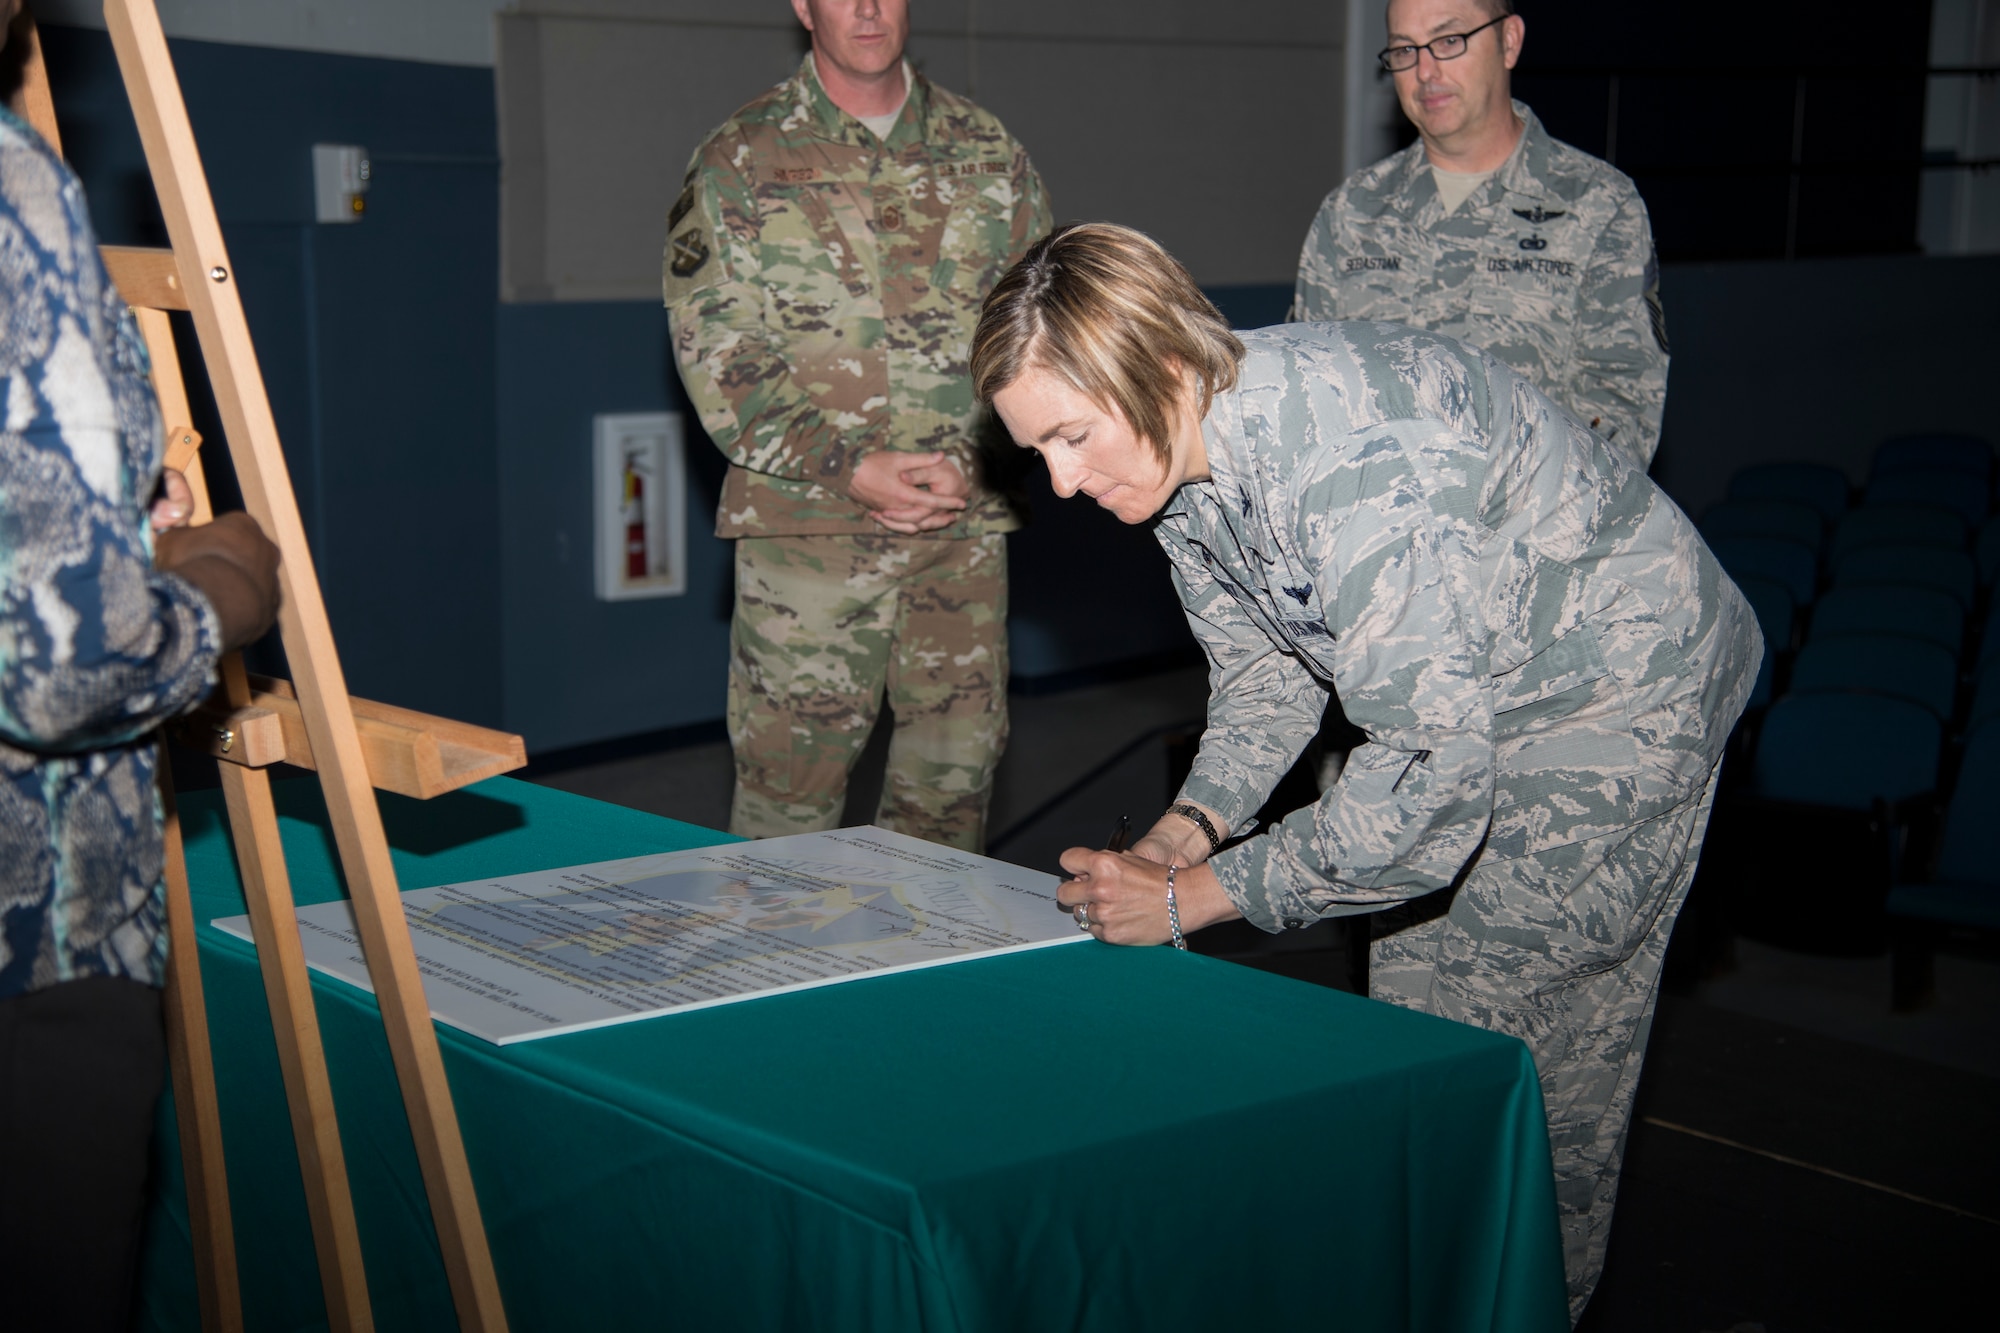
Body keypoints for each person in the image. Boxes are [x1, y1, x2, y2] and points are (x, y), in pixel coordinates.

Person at [972, 223, 1760, 1322]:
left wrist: (1198, 899)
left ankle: (1529, 1298)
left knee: (1519, 1041)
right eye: (1034, 451)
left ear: (1155, 367)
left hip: (1618, 690)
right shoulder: (1182, 459)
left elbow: (1431, 774)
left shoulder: (1349, 462)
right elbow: (1266, 674)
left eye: (1069, 437)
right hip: (1476, 691)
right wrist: (1180, 834)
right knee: (1417, 1017)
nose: (1058, 483)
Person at [0, 45, 283, 1333]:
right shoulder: (18, 200)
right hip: (35, 940)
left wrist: (108, 520)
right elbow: (64, 671)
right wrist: (219, 591)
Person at [663, 0, 1050, 852]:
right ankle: (780, 982)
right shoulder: (741, 156)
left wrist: (977, 465)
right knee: (786, 807)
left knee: (950, 805)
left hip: (962, 532)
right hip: (808, 535)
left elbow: (1042, 336)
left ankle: (922, 988)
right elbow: (717, 352)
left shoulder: (988, 149)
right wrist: (846, 464)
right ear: (803, 6)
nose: (868, 8)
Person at [1294, 0, 1670, 469]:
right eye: (1404, 50)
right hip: (1376, 529)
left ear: (1509, 41)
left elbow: (1621, 419)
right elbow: (1308, 399)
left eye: (1449, 41)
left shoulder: (1600, 206)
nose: (1425, 70)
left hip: (1534, 533)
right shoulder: (1351, 213)